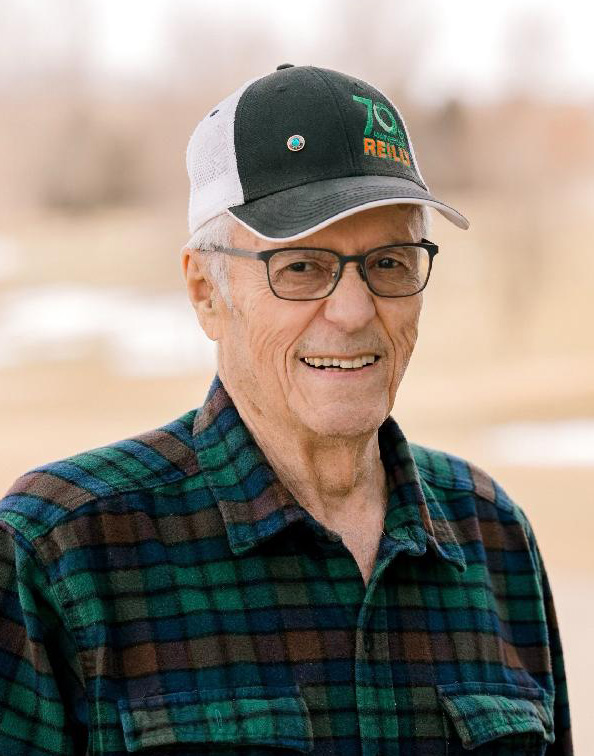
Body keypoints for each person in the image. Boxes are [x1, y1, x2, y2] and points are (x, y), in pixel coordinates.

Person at [0, 64, 572, 755]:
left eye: (390, 262)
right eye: (301, 267)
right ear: (206, 291)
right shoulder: (62, 551)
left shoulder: (493, 536)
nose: (354, 311)